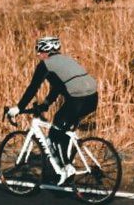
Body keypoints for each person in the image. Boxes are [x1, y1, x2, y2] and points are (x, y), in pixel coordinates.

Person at [7, 36, 98, 185]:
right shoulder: (65, 60)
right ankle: (65, 164)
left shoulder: (45, 64)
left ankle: (67, 169)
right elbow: (59, 86)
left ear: (47, 51)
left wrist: (19, 108)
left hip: (78, 100)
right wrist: (47, 103)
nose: (38, 54)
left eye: (40, 51)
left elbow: (33, 88)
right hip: (92, 99)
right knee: (63, 132)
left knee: (55, 133)